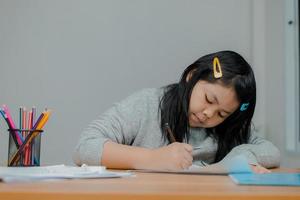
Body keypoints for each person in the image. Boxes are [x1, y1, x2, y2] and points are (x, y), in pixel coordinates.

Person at [73, 50, 280, 173]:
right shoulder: (148, 104)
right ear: (192, 76)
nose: (209, 114)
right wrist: (152, 159)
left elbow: (272, 152)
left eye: (222, 114)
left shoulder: (228, 129)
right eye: (208, 99)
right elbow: (85, 147)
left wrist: (238, 159)